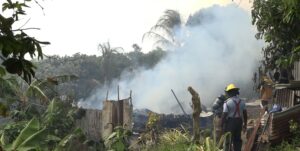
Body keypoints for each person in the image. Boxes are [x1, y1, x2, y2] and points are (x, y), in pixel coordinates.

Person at [221, 84, 247, 151]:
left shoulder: (227, 102)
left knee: (228, 140)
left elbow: (224, 115)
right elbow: (245, 114)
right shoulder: (242, 102)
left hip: (230, 122)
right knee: (237, 140)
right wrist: (245, 124)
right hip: (239, 122)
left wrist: (221, 125)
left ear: (229, 92)